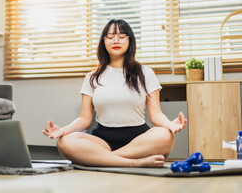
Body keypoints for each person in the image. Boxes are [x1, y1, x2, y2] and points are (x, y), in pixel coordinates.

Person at [42, 19, 187, 168]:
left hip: (139, 140)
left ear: (130, 40)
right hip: (102, 140)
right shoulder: (92, 77)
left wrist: (169, 124)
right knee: (65, 142)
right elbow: (84, 119)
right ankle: (134, 163)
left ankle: (101, 159)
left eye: (121, 36)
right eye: (110, 37)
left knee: (165, 136)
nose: (116, 40)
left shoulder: (145, 73)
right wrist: (62, 130)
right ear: (103, 42)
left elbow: (156, 115)